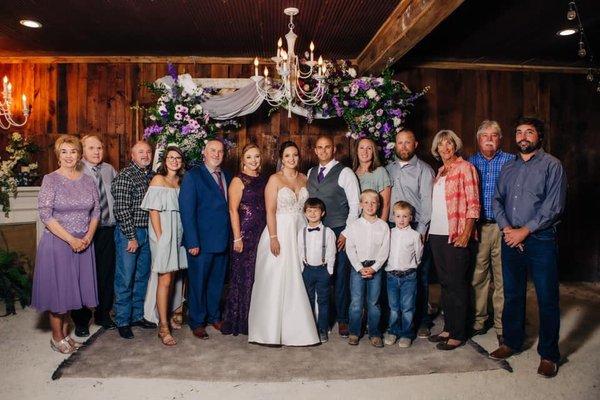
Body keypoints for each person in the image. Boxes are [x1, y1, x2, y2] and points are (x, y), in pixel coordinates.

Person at [490, 117, 567, 378]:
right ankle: (511, 342)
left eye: (529, 132)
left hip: (540, 240)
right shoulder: (508, 167)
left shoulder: (552, 166)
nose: (523, 137)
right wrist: (507, 229)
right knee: (512, 294)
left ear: (539, 137)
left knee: (547, 298)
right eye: (519, 132)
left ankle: (549, 354)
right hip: (510, 237)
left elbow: (554, 207)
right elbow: (497, 200)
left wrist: (525, 231)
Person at [31, 135, 99, 353]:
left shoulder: (88, 180)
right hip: (59, 243)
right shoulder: (50, 179)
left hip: (83, 243)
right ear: (58, 155)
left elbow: (96, 212)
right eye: (64, 152)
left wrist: (87, 237)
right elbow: (45, 214)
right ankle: (57, 337)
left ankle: (66, 335)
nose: (69, 156)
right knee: (59, 292)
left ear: (79, 154)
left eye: (73, 151)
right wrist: (71, 239)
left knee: (73, 291)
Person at [248, 141, 319, 346]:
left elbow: (309, 209)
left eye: (295, 155)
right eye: (287, 155)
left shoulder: (305, 179)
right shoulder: (274, 179)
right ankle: (269, 331)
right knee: (276, 277)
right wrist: (273, 237)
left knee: (299, 275)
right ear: (282, 158)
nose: (292, 159)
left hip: (300, 230)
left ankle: (298, 329)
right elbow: (270, 210)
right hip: (279, 230)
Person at [427, 130, 480, 351]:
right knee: (446, 284)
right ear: (436, 149)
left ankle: (459, 333)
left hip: (456, 232)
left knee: (458, 284)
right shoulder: (439, 172)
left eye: (449, 144)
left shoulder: (466, 168)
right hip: (437, 234)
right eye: (441, 145)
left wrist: (467, 231)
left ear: (455, 146)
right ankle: (449, 327)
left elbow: (473, 204)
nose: (445, 148)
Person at [307, 135, 360, 338]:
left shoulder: (344, 172)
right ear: (315, 151)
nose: (323, 151)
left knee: (339, 276)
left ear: (333, 150)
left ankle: (343, 320)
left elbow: (355, 205)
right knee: (319, 276)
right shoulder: (311, 172)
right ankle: (320, 319)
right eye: (319, 148)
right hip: (317, 232)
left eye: (327, 147)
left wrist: (346, 233)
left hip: (339, 231)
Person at [179, 139, 231, 340]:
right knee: (198, 283)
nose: (216, 154)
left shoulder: (226, 175)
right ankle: (197, 321)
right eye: (212, 150)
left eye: (220, 151)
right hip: (200, 242)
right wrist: (192, 241)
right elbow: (187, 211)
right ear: (204, 152)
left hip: (222, 239)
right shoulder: (193, 176)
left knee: (217, 282)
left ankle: (214, 316)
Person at [467, 121, 514, 344]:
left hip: (504, 227)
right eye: (484, 135)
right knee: (478, 276)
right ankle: (479, 320)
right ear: (478, 139)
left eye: (494, 135)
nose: (489, 139)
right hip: (479, 227)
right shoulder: (470, 162)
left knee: (503, 276)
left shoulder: (511, 161)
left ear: (500, 139)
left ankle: (502, 324)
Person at [385, 129, 435, 338]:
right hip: (391, 227)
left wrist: (422, 229)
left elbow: (427, 202)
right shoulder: (388, 169)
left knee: (419, 276)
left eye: (408, 143)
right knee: (392, 274)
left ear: (415, 145)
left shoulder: (424, 170)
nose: (403, 147)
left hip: (415, 228)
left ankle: (422, 320)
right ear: (395, 145)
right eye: (400, 143)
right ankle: (393, 323)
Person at [70, 134, 118, 336]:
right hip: (84, 232)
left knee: (106, 273)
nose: (97, 152)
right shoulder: (75, 170)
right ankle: (81, 320)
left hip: (107, 229)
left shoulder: (109, 170)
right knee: (82, 275)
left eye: (100, 148)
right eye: (91, 148)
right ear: (82, 151)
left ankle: (103, 313)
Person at [140, 146, 188, 346]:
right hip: (163, 234)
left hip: (179, 233)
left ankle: (169, 314)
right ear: (164, 160)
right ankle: (163, 326)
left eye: (178, 158)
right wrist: (161, 238)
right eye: (170, 157)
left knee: (175, 276)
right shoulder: (158, 180)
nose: (174, 161)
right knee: (165, 279)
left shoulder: (180, 182)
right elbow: (153, 211)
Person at [112, 140, 156, 339]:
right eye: (141, 152)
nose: (145, 155)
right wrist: (131, 237)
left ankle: (137, 315)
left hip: (148, 233)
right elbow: (121, 210)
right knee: (125, 278)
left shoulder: (153, 176)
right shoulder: (125, 176)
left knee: (141, 276)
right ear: (132, 156)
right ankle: (122, 320)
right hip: (129, 233)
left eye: (148, 151)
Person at [221, 143, 267, 336]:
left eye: (256, 156)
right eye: (249, 157)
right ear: (243, 160)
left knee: (258, 276)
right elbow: (232, 210)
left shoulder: (264, 179)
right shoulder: (238, 181)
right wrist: (237, 237)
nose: (253, 160)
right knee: (242, 277)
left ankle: (255, 318)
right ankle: (239, 320)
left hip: (261, 233)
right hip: (244, 233)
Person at [344, 189, 390, 347]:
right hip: (358, 267)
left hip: (375, 268)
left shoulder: (383, 226)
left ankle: (375, 333)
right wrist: (358, 267)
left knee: (374, 303)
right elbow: (349, 248)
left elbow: (385, 250)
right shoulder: (354, 225)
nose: (370, 205)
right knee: (356, 302)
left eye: (373, 202)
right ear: (360, 205)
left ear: (378, 205)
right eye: (366, 202)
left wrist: (375, 268)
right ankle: (354, 332)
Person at [384, 201, 424, 349]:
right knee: (394, 307)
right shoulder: (389, 233)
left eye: (405, 216)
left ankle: (407, 334)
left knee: (407, 307)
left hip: (409, 276)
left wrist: (411, 267)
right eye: (398, 216)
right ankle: (393, 331)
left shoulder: (415, 235)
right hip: (392, 276)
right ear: (393, 217)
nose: (401, 220)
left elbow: (419, 255)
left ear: (411, 218)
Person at [298, 198, 336, 343]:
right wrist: (302, 268)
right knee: (308, 299)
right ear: (305, 213)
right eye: (309, 210)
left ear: (323, 213)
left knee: (323, 301)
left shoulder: (328, 232)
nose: (312, 213)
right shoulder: (301, 232)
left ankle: (322, 329)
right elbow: (300, 251)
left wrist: (329, 271)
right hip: (307, 270)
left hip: (322, 271)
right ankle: (310, 327)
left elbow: (331, 253)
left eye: (316, 210)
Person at [353, 137, 391, 220]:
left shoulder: (380, 172)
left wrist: (381, 227)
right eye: (361, 148)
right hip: (356, 223)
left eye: (369, 148)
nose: (365, 151)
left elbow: (386, 204)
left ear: (373, 152)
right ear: (356, 151)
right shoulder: (352, 173)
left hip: (374, 223)